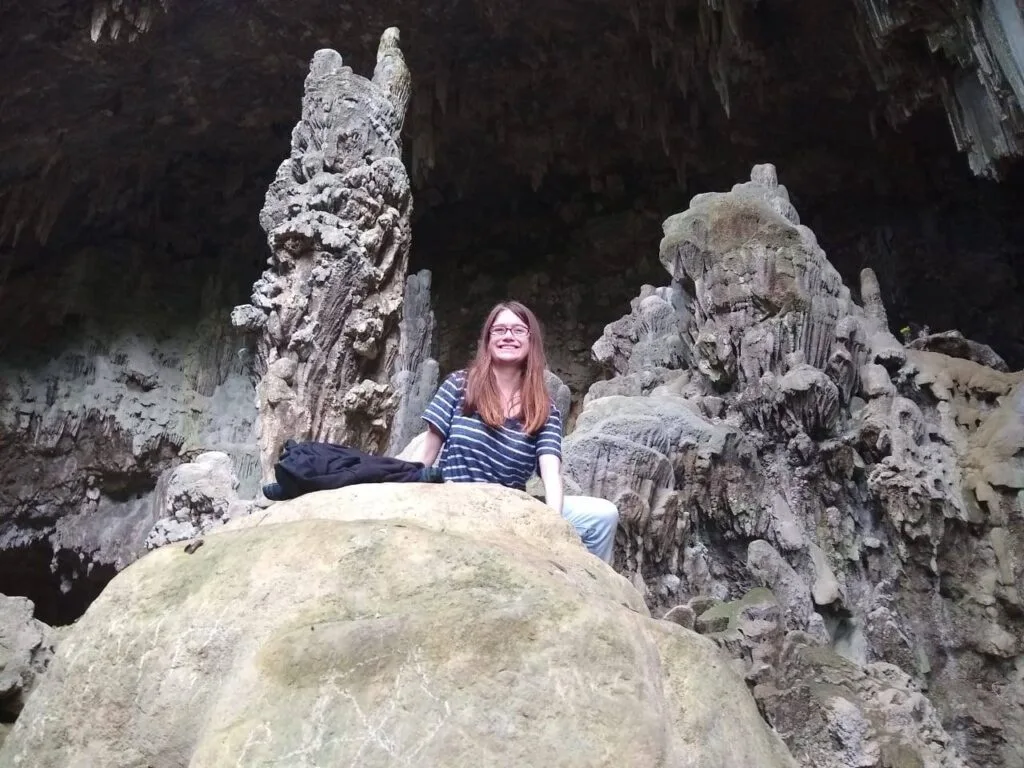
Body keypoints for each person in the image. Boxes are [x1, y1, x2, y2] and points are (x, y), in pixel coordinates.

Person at [413, 300, 619, 563]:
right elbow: (425, 457)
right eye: (499, 330)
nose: (508, 336)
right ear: (488, 340)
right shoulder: (459, 385)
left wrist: (552, 527)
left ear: (530, 340)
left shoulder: (544, 409)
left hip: (510, 510)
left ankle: (587, 587)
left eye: (518, 330)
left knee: (603, 515)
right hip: (457, 503)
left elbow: (551, 475)